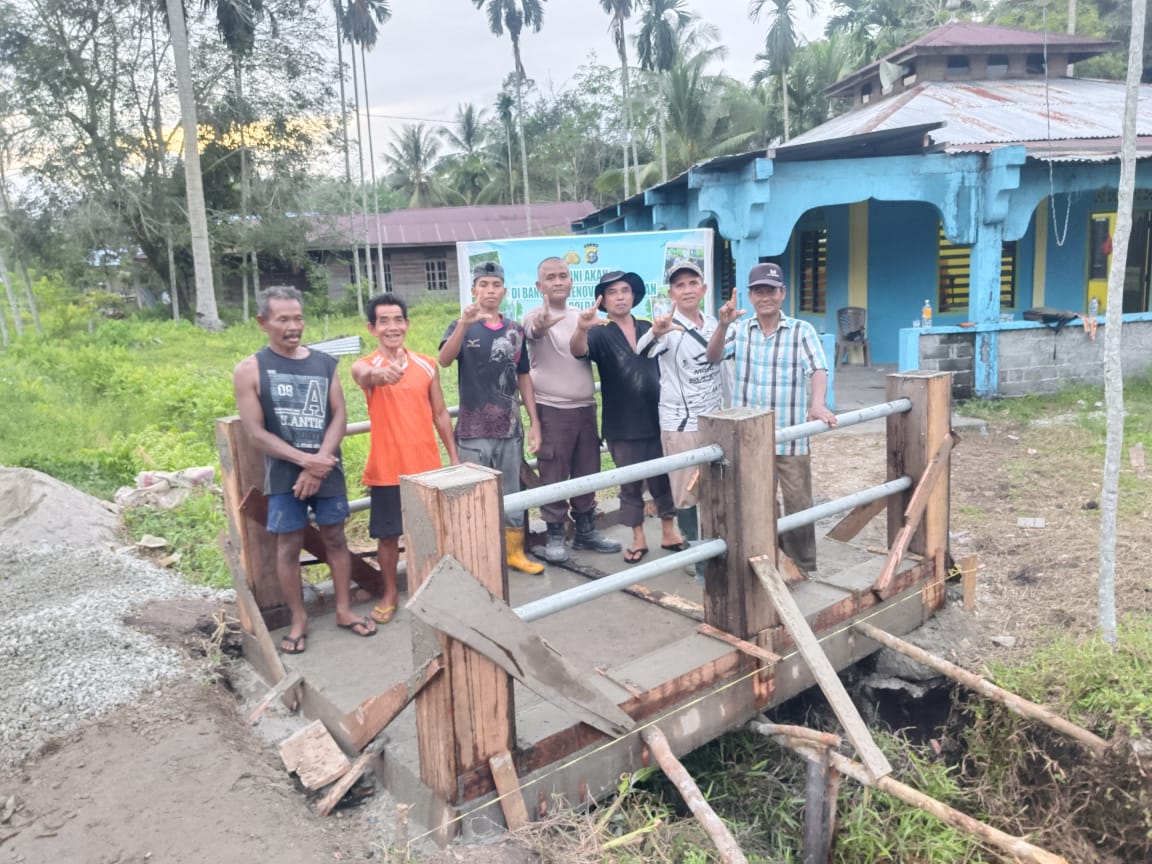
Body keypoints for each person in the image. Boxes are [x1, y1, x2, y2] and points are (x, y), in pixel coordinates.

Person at [232, 285, 376, 655]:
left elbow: (339, 415)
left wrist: (318, 463)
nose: (293, 326)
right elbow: (255, 432)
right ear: (263, 322)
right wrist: (304, 462)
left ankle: (344, 609)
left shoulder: (324, 363)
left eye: (298, 318)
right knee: (288, 545)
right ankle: (299, 619)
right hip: (284, 476)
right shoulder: (250, 369)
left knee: (335, 539)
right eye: (283, 319)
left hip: (326, 468)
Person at [706, 262, 837, 572]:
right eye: (758, 291)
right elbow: (712, 357)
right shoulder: (739, 329)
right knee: (759, 500)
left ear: (783, 294)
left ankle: (803, 564)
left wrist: (817, 404)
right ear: (750, 297)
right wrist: (722, 325)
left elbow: (817, 368)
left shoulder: (800, 330)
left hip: (789, 434)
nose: (765, 297)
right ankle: (770, 555)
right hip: (751, 438)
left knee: (798, 501)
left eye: (771, 291)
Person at [352, 293, 458, 625]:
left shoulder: (426, 364)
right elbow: (362, 374)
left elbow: (440, 413)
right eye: (383, 321)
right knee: (387, 537)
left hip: (427, 467)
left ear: (407, 324)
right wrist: (382, 377)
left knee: (428, 532)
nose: (392, 326)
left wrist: (453, 457)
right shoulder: (367, 365)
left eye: (398, 319)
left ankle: (428, 588)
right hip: (386, 470)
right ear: (372, 328)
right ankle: (390, 592)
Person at [570, 270, 685, 563]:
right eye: (612, 293)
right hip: (621, 422)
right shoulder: (599, 332)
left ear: (633, 296)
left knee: (664, 477)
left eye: (625, 290)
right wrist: (581, 329)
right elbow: (578, 351)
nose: (620, 296)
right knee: (630, 482)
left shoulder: (650, 326)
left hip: (659, 416)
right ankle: (638, 538)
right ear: (604, 300)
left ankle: (670, 531)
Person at [438, 261, 544, 575]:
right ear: (474, 290)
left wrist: (534, 421)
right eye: (483, 285)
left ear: (504, 291)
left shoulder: (515, 330)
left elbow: (523, 376)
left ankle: (514, 553)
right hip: (473, 429)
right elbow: (444, 360)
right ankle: (478, 557)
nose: (489, 291)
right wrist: (462, 324)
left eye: (495, 285)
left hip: (510, 428)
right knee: (473, 495)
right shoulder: (462, 325)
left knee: (511, 492)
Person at [523, 257, 621, 563]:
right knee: (553, 472)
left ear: (571, 282)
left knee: (587, 471)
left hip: (586, 408)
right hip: (552, 409)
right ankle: (555, 533)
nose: (557, 281)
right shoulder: (533, 316)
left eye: (562, 276)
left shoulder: (583, 316)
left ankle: (585, 530)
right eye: (549, 277)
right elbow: (534, 331)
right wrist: (541, 324)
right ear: (539, 286)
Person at [636, 260, 723, 572]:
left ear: (703, 288)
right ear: (671, 293)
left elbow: (720, 360)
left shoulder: (715, 323)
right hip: (681, 424)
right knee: (686, 492)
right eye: (679, 285)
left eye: (692, 283)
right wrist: (655, 332)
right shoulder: (666, 327)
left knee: (716, 487)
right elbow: (642, 351)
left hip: (715, 421)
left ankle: (714, 546)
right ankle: (694, 555)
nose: (686, 290)